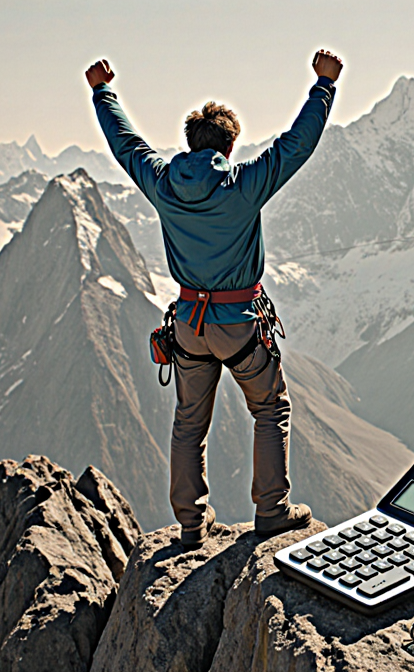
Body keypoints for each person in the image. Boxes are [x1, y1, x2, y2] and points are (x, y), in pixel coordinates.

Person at [85, 49, 343, 549]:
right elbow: (296, 145)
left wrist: (103, 91)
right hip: (239, 322)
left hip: (188, 324)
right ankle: (272, 511)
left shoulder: (163, 183)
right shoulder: (243, 185)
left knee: (189, 422)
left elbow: (126, 145)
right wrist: (324, 85)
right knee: (269, 408)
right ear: (229, 145)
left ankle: (191, 524)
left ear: (190, 143)